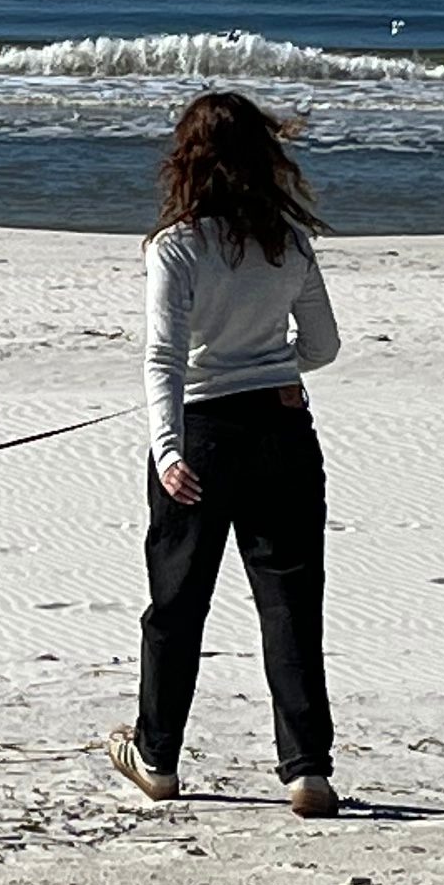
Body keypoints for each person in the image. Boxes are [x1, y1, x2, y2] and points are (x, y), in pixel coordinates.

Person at [108, 87, 342, 816]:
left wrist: (168, 448)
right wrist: (268, 372)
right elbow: (325, 347)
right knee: (290, 602)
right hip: (281, 426)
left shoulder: (175, 245)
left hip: (204, 433)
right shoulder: (289, 243)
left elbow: (164, 358)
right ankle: (306, 769)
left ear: (187, 161)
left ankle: (158, 755)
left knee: (178, 604)